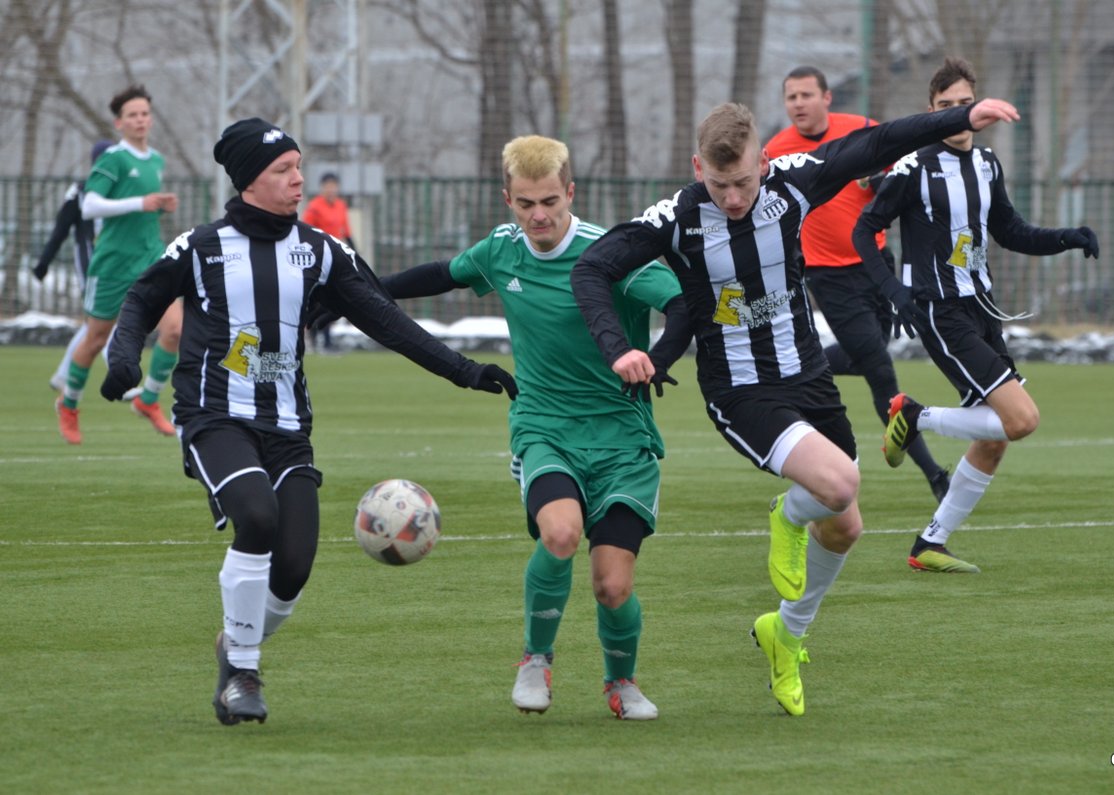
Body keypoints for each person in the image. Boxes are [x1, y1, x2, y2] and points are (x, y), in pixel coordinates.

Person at [572, 96, 1020, 715]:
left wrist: (959, 118)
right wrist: (619, 348)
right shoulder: (676, 217)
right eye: (720, 184)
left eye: (744, 181)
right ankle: (787, 515)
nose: (734, 198)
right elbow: (591, 269)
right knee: (838, 485)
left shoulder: (792, 183)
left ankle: (785, 633)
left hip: (810, 379)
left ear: (763, 160)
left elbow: (877, 143)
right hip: (742, 390)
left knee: (846, 525)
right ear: (698, 167)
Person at [98, 117, 516, 726]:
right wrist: (121, 357)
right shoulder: (202, 246)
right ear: (249, 180)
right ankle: (243, 673)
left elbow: (386, 321)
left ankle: (234, 642)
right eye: (283, 170)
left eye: (298, 167)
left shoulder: (321, 251)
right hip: (214, 415)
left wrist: (466, 371)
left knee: (293, 567)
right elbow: (141, 299)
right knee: (257, 516)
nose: (299, 179)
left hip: (288, 427)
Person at [313, 135, 689, 719]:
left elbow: (682, 304)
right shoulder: (502, 250)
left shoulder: (610, 255)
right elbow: (443, 274)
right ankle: (535, 659)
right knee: (560, 534)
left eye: (550, 202)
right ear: (508, 199)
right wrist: (357, 294)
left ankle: (621, 683)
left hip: (622, 436)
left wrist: (656, 360)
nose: (538, 216)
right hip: (544, 426)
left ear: (571, 193)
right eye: (526, 204)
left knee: (612, 586)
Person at [852, 57, 1099, 574]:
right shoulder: (913, 168)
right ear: (931, 112)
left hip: (982, 309)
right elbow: (864, 230)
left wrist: (1066, 238)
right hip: (940, 311)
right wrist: (893, 290)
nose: (958, 113)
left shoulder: (987, 164)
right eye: (946, 106)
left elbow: (1010, 231)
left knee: (993, 439)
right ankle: (914, 416)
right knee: (1021, 420)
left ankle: (930, 544)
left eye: (965, 103)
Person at [765, 66, 949, 503]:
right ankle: (935, 475)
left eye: (806, 95)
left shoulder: (861, 129)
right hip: (827, 275)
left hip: (875, 263)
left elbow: (903, 169)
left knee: (866, 355)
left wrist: (882, 182)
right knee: (880, 369)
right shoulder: (775, 151)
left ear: (827, 98)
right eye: (791, 97)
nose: (798, 104)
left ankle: (795, 373)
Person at [55, 84, 183, 444]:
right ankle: (68, 404)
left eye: (144, 114)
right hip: (113, 264)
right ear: (119, 123)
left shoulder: (156, 160)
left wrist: (158, 205)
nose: (140, 120)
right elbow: (90, 206)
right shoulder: (113, 159)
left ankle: (148, 399)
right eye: (132, 115)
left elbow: (142, 206)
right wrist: (141, 203)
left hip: (150, 259)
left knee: (175, 330)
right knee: (96, 339)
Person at [34, 139, 119, 395]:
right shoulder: (80, 192)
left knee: (95, 323)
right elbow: (60, 229)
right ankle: (120, 378)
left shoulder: (122, 190)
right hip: (91, 264)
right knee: (102, 320)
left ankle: (62, 376)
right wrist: (44, 262)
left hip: (117, 263)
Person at [301, 173, 353, 353]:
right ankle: (314, 339)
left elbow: (346, 232)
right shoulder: (314, 207)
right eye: (328, 186)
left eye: (334, 186)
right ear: (322, 188)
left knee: (331, 298)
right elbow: (305, 232)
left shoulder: (341, 205)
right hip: (317, 259)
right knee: (315, 299)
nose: (331, 190)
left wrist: (353, 254)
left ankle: (326, 341)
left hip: (335, 259)